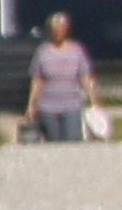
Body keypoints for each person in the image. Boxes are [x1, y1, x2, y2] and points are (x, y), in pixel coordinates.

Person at [26, 12, 98, 143]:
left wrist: (94, 100)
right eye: (55, 29)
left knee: (72, 141)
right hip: (48, 106)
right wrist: (31, 105)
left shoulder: (77, 51)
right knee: (54, 141)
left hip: (72, 105)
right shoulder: (43, 52)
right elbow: (37, 81)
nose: (59, 32)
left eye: (62, 28)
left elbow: (85, 77)